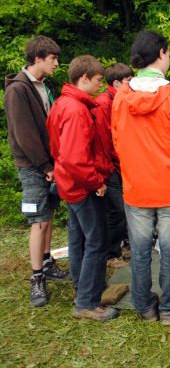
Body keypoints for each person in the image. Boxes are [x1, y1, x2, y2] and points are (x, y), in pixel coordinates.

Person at [112, 30, 170, 325]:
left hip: (136, 187)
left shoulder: (121, 97)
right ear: (161, 53)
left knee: (140, 251)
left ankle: (145, 307)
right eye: (169, 53)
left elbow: (118, 142)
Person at [47, 55, 118, 321]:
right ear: (84, 78)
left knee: (78, 239)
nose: (101, 86)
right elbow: (75, 158)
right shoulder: (76, 110)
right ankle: (87, 302)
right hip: (81, 186)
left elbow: (56, 149)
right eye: (99, 80)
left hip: (68, 183)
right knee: (97, 241)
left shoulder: (63, 103)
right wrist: (96, 181)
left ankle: (83, 284)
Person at [4, 35, 70, 308]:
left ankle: (47, 261)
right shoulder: (18, 90)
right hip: (33, 166)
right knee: (38, 220)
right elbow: (24, 134)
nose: (57, 63)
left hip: (49, 163)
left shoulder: (45, 85)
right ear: (38, 58)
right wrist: (45, 166)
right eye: (53, 58)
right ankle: (36, 278)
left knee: (49, 214)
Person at [93, 63, 133, 269]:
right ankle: (111, 254)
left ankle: (124, 245)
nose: (132, 85)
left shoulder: (120, 99)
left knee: (124, 207)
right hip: (108, 166)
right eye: (128, 81)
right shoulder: (103, 103)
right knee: (117, 210)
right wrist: (109, 169)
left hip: (120, 163)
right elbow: (103, 141)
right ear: (116, 83)